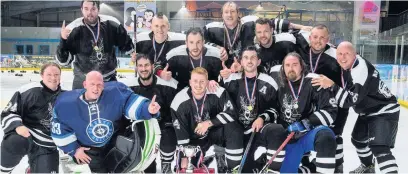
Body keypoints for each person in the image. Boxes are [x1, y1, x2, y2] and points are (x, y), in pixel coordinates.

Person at [312, 41, 400, 173]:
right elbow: (330, 45)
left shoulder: (359, 72)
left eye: (347, 54)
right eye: (340, 54)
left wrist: (331, 85)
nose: (343, 57)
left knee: (380, 148)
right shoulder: (351, 64)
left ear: (355, 55)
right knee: (358, 140)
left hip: (384, 110)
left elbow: (349, 101)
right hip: (368, 111)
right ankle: (368, 168)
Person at [51, 71, 161, 173]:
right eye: (92, 84)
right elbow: (59, 127)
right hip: (88, 151)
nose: (96, 88)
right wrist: (74, 150)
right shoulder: (67, 103)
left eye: (99, 85)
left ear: (103, 85)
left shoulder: (115, 93)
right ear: (85, 85)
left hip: (113, 145)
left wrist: (148, 108)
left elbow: (130, 102)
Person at [262, 53, 337, 173]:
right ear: (283, 68)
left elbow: (330, 111)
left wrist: (306, 123)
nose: (291, 68)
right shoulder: (277, 81)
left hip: (307, 135)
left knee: (326, 136)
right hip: (287, 138)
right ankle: (309, 169)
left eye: (295, 64)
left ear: (301, 66)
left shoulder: (313, 81)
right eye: (287, 65)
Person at [294, 24, 346, 172]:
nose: (318, 41)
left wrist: (332, 84)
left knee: (334, 134)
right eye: (315, 37)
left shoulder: (336, 56)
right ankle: (306, 164)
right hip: (308, 103)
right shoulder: (301, 49)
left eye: (322, 38)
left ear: (328, 40)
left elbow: (349, 80)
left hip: (334, 104)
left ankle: (337, 166)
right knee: (305, 131)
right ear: (309, 38)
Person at [171, 67, 244, 172]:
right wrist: (184, 158)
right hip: (194, 139)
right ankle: (203, 159)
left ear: (207, 82)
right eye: (195, 81)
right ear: (190, 82)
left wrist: (208, 123)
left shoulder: (217, 91)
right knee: (189, 167)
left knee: (234, 128)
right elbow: (181, 133)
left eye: (202, 81)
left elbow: (233, 114)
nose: (198, 85)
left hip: (215, 131)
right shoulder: (179, 101)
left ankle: (233, 167)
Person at [222, 46, 280, 172]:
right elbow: (216, 100)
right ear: (241, 61)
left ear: (258, 61)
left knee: (250, 169)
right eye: (246, 58)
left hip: (256, 132)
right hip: (235, 133)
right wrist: (214, 82)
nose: (249, 61)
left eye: (253, 58)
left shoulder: (269, 82)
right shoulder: (230, 80)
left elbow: (275, 110)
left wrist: (262, 118)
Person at [203, 1, 311, 68]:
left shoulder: (249, 22)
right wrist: (217, 48)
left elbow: (271, 23)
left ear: (238, 13)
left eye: (232, 11)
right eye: (226, 12)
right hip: (228, 70)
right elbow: (201, 40)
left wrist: (301, 27)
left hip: (250, 66)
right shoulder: (213, 28)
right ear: (221, 14)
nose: (229, 15)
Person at [56, 0, 135, 89]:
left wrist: (133, 53)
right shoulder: (72, 29)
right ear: (81, 10)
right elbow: (63, 61)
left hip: (108, 79)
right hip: (83, 81)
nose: (90, 12)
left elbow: (126, 43)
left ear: (98, 9)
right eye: (86, 9)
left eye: (93, 9)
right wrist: (63, 40)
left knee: (111, 102)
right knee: (79, 102)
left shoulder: (111, 24)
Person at [1, 63, 63, 173]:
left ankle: (32, 169)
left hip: (47, 145)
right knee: (15, 141)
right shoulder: (29, 91)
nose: (53, 78)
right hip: (26, 136)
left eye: (56, 74)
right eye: (49, 74)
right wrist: (17, 126)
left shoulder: (65, 97)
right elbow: (8, 112)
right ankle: (4, 170)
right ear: (42, 75)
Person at [122, 54, 178, 173]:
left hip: (163, 123)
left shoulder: (168, 84)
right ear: (136, 68)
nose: (143, 69)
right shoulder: (128, 86)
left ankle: (166, 164)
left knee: (169, 136)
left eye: (146, 65)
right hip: (140, 125)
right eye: (140, 66)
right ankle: (146, 164)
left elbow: (176, 109)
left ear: (152, 66)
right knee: (148, 167)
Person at [133, 13, 186, 80]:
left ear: (168, 26)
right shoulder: (140, 40)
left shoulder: (180, 40)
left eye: (163, 26)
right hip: (148, 82)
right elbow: (138, 61)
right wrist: (134, 58)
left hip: (169, 83)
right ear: (151, 27)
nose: (160, 29)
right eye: (156, 26)